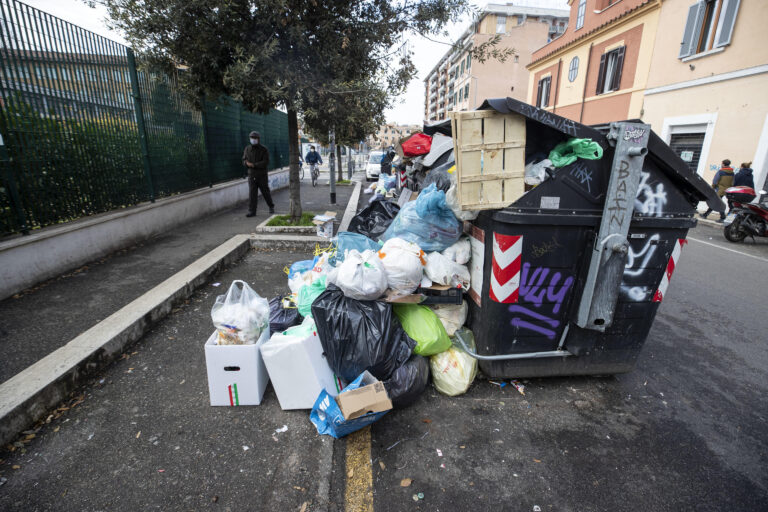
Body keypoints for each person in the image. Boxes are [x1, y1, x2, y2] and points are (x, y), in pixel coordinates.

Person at [242, 130, 274, 217]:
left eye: (255, 138)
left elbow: (265, 162)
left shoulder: (263, 149)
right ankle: (252, 211)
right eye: (252, 138)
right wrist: (246, 163)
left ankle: (271, 206)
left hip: (261, 175)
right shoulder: (247, 149)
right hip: (251, 175)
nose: (253, 139)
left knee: (265, 191)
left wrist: (254, 165)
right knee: (252, 194)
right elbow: (244, 159)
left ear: (258, 139)